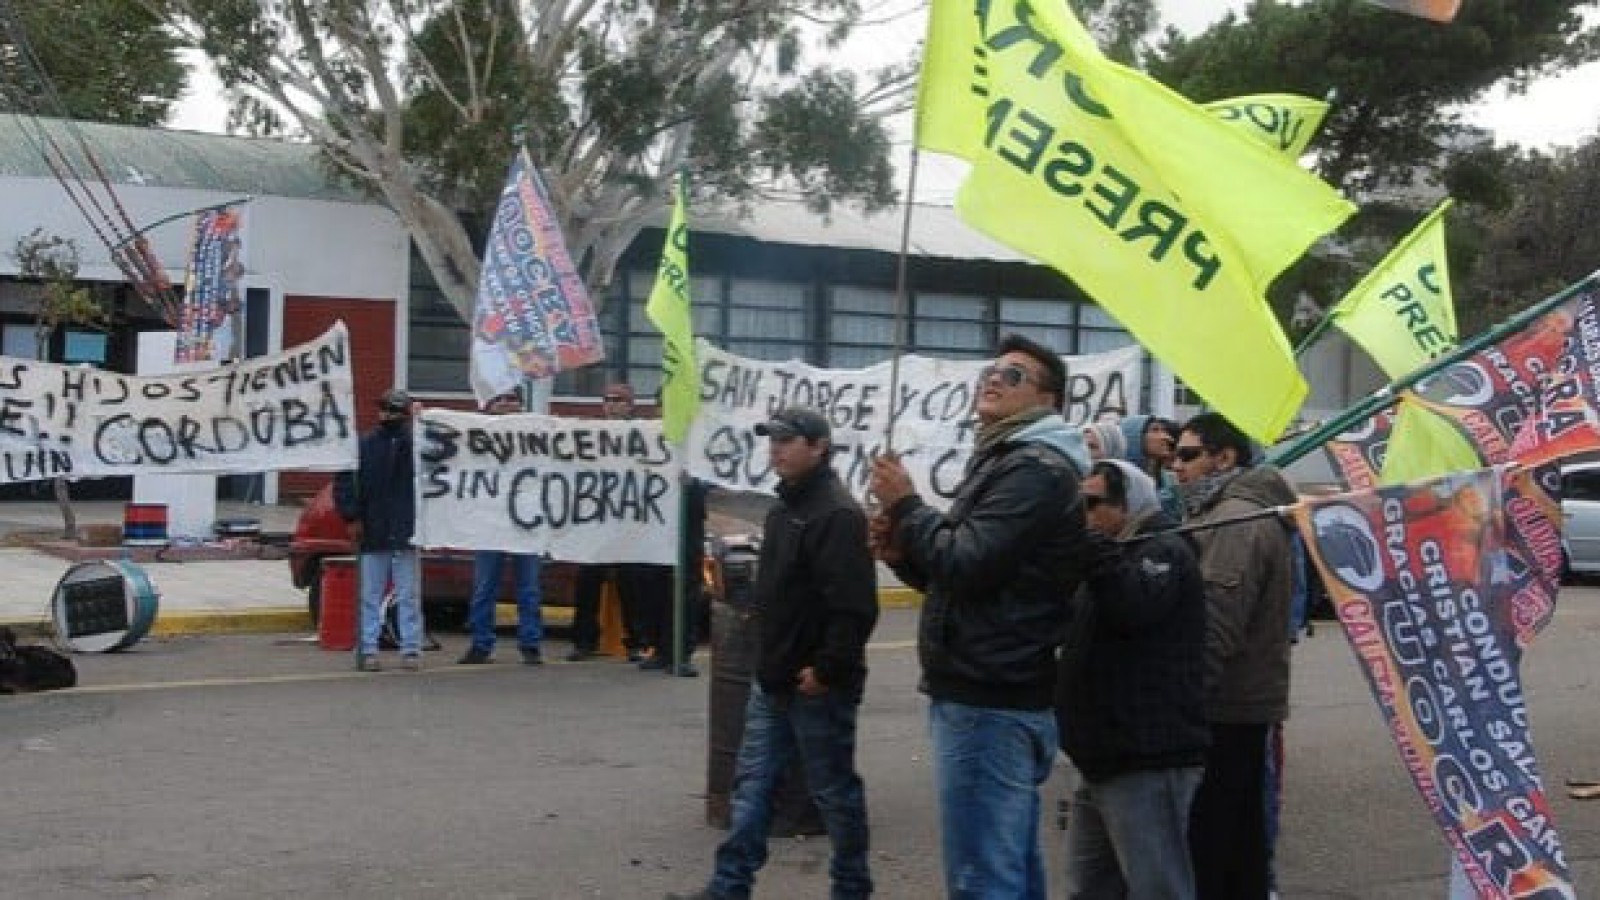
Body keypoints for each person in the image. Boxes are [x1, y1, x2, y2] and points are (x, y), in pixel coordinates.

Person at [870, 332, 1090, 899]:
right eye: (991, 370)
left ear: (1048, 401)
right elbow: (969, 579)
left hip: (988, 695)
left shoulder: (1033, 469)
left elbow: (966, 560)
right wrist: (903, 555)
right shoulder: (1008, 460)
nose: (993, 379)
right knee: (1008, 863)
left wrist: (908, 506)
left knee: (983, 875)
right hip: (992, 686)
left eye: (1013, 375)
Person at [669, 406, 879, 900]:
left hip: (815, 686)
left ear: (818, 446)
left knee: (833, 792)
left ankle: (851, 888)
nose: (776, 449)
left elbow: (853, 609)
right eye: (773, 440)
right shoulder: (785, 509)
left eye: (788, 440)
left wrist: (825, 671)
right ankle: (729, 886)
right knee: (752, 786)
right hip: (774, 679)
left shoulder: (836, 514)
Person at [1056, 459, 1208, 900]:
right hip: (1099, 755)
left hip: (1147, 757)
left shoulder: (1163, 550)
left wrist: (1092, 549)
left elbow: (1132, 608)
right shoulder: (1106, 557)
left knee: (1157, 887)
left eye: (1092, 504)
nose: (1083, 514)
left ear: (1127, 506)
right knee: (1087, 887)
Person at [1170, 412, 1297, 900]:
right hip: (1236, 704)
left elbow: (1215, 625)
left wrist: (1182, 706)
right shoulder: (1222, 513)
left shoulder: (1234, 520)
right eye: (1175, 456)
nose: (1176, 467)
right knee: (1238, 840)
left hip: (1225, 708)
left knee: (1214, 844)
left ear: (1225, 458)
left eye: (1188, 455)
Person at [334, 388, 424, 672]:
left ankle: (411, 649)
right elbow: (345, 483)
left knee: (408, 594)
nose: (387, 414)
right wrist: (351, 517)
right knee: (370, 594)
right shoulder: (364, 445)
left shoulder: (418, 445)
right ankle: (368, 648)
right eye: (385, 408)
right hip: (374, 528)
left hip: (407, 528)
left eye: (393, 410)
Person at [458, 390, 545, 666]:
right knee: (484, 586)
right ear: (490, 405)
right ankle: (481, 643)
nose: (507, 404)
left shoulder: (535, 435)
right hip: (489, 523)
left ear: (521, 405)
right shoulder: (475, 437)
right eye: (501, 399)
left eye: (513, 399)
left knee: (529, 587)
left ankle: (530, 644)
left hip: (526, 522)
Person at [567, 382, 651, 662]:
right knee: (587, 583)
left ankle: (636, 642)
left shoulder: (643, 435)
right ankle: (583, 641)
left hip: (626, 522)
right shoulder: (592, 434)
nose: (612, 404)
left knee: (632, 586)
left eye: (618, 400)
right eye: (607, 399)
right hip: (596, 522)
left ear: (630, 405)